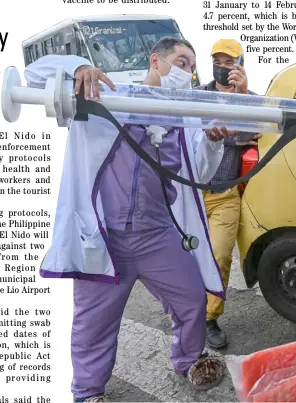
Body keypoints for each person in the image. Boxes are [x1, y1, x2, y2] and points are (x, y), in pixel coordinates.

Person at [24, 38, 234, 402]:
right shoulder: (106, 94)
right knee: (93, 324)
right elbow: (33, 73)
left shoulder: (180, 115)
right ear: (156, 60)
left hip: (157, 234)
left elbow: (197, 171)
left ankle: (188, 361)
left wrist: (213, 143)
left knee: (191, 301)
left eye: (191, 66)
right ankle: (88, 392)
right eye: (181, 61)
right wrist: (77, 67)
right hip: (106, 237)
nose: (187, 71)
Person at [195, 39, 261, 349]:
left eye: (229, 61)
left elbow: (253, 131)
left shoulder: (250, 98)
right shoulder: (197, 96)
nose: (222, 67)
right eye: (217, 61)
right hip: (190, 194)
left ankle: (209, 318)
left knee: (220, 256)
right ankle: (186, 313)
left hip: (224, 193)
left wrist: (243, 96)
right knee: (186, 259)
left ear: (241, 64)